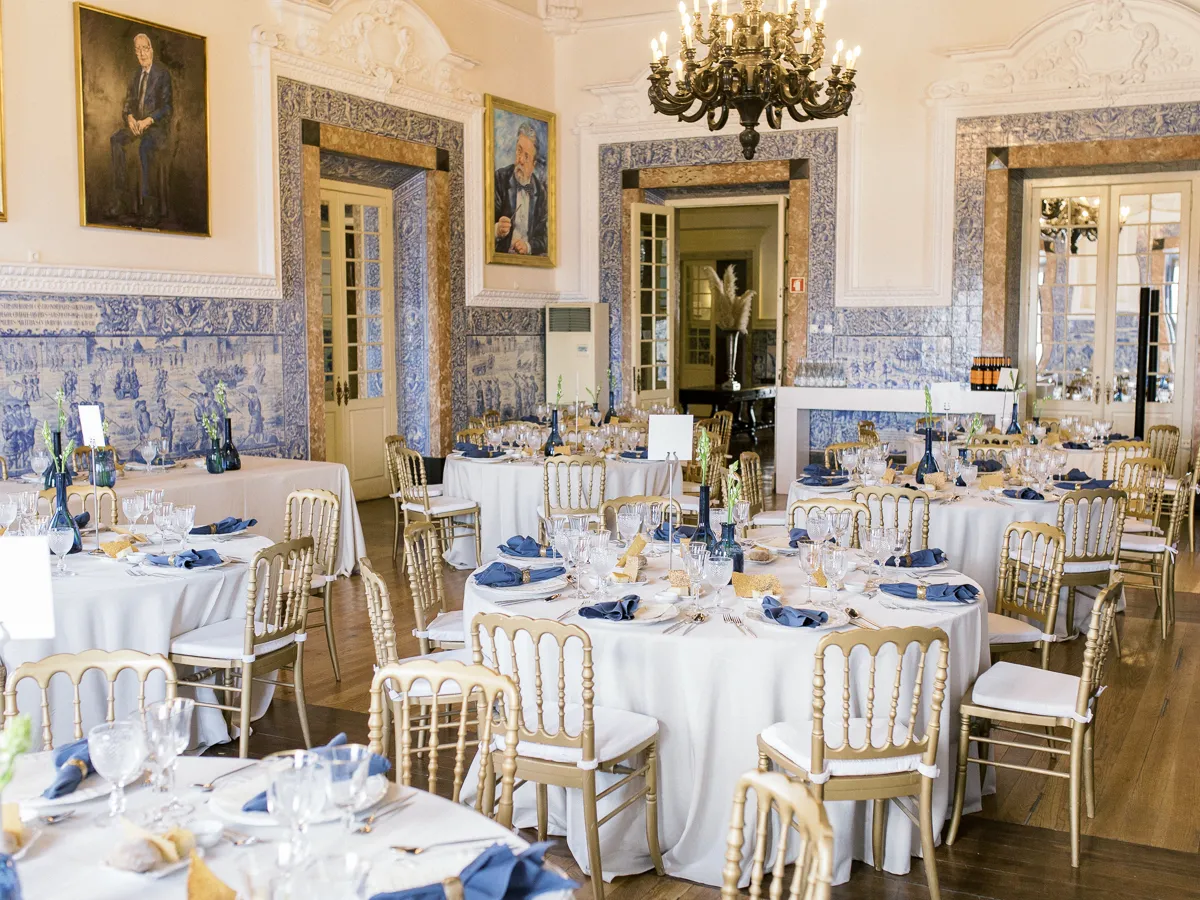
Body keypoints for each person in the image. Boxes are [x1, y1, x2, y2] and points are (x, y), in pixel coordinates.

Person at [110, 33, 173, 222]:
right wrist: (130, 118)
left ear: (151, 50)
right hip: (137, 125)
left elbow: (168, 107)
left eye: (145, 48)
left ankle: (149, 205)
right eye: (137, 50)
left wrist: (148, 120)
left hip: (156, 127)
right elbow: (128, 104)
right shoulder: (135, 75)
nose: (141, 53)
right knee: (116, 140)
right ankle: (121, 199)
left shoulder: (162, 74)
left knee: (144, 146)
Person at [493, 121, 548, 257]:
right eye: (519, 150)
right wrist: (496, 230)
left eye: (527, 156)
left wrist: (528, 246)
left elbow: (545, 238)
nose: (520, 160)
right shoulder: (500, 178)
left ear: (534, 165)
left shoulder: (541, 192)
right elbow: (480, 225)